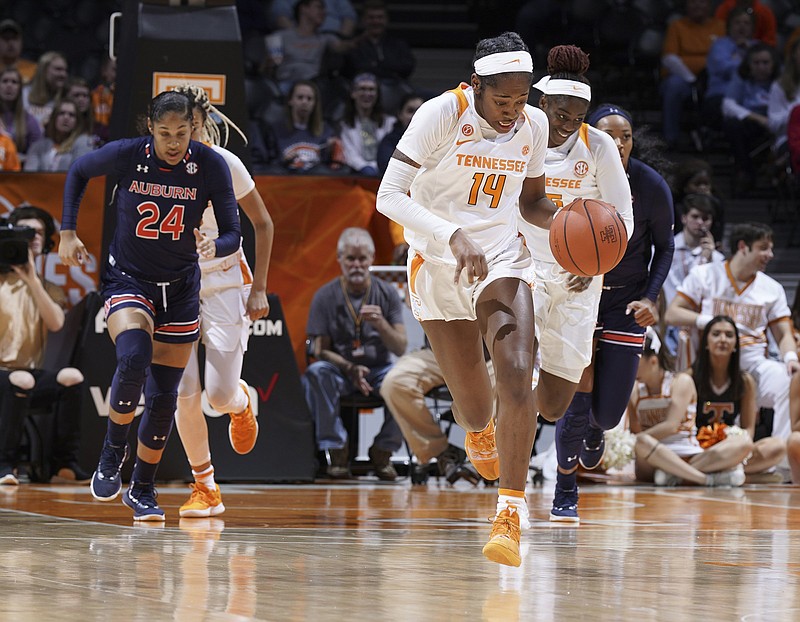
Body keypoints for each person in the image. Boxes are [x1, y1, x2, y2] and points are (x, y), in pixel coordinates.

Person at [377, 31, 557, 567]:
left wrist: (570, 230)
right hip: (437, 263)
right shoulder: (440, 114)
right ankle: (477, 429)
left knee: (518, 371)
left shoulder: (536, 124)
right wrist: (451, 235)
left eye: (522, 99)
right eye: (503, 100)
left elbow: (532, 201)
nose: (513, 111)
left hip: (502, 255)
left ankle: (509, 513)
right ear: (477, 85)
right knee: (475, 406)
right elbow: (388, 196)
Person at [59, 90, 242, 521]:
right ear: (150, 129)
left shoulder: (211, 164)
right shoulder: (128, 155)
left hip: (180, 289)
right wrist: (68, 232)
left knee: (164, 398)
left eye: (181, 133)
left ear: (193, 130)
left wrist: (215, 245)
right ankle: (110, 456)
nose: (173, 142)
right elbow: (79, 171)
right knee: (134, 356)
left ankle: (142, 488)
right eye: (164, 134)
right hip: (129, 279)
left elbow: (235, 232)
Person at [516, 48, 634, 524]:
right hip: (523, 268)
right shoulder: (520, 135)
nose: (567, 123)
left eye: (578, 116)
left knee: (553, 404)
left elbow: (622, 219)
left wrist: (594, 262)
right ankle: (513, 496)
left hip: (579, 279)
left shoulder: (599, 148)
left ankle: (579, 431)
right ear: (542, 104)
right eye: (560, 114)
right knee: (515, 378)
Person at [548, 102, 673, 522]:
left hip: (626, 300)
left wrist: (651, 298)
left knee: (608, 413)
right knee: (577, 390)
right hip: (578, 295)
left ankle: (599, 431)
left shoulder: (650, 185)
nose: (618, 143)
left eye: (626, 136)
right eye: (609, 135)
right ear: (591, 137)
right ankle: (565, 487)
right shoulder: (572, 175)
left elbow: (666, 246)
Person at [171, 84, 274, 519]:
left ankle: (242, 402)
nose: (179, 135)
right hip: (175, 285)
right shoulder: (157, 166)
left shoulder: (225, 163)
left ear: (201, 123)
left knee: (217, 396)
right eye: (171, 129)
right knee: (183, 392)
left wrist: (261, 288)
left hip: (225, 283)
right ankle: (205, 487)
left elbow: (263, 225)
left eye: (187, 126)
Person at [665, 222, 800, 443]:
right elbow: (672, 313)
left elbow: (784, 333)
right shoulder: (704, 275)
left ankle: (780, 456)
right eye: (763, 248)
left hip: (752, 364)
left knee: (788, 382)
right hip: (710, 365)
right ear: (743, 247)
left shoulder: (772, 288)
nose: (770, 254)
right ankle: (684, 446)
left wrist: (791, 358)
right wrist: (710, 322)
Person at [302, 227, 407, 481]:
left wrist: (381, 324)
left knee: (405, 380)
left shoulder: (387, 293)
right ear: (340, 260)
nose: (357, 265)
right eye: (350, 258)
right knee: (316, 373)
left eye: (362, 259)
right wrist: (350, 368)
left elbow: (400, 347)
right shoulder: (325, 296)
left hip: (378, 370)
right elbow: (319, 350)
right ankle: (337, 451)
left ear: (372, 259)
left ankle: (383, 450)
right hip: (340, 371)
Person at [0, 205, 87, 485]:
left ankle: (64, 464)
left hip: (27, 375)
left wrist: (31, 279)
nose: (33, 237)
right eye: (26, 232)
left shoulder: (49, 288)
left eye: (38, 232)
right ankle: (5, 464)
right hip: (3, 373)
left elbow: (56, 323)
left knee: (71, 377)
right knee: (21, 379)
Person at [630, 326, 749, 487]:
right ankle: (706, 480)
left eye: (635, 361)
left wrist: (631, 441)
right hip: (654, 457)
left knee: (744, 442)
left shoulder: (680, 381)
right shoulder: (634, 391)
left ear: (653, 361)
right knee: (642, 442)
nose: (630, 367)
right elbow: (636, 432)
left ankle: (675, 476)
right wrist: (632, 441)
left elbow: (671, 426)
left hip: (688, 454)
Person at [659, 0, 724, 149]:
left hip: (713, 78)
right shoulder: (677, 26)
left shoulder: (720, 26)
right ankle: (671, 138)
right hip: (685, 79)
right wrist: (692, 79)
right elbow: (669, 58)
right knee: (673, 86)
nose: (697, 6)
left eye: (702, 2)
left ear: (709, 5)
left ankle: (715, 139)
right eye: (693, 2)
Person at [721, 42, 779, 194]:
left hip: (780, 122)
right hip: (754, 122)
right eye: (756, 62)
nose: (761, 67)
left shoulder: (782, 80)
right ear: (749, 65)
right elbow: (727, 105)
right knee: (732, 125)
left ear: (773, 64)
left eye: (765, 62)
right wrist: (757, 118)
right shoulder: (741, 79)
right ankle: (745, 172)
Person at [342, 0, 416, 114]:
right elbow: (353, 68)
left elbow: (407, 67)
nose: (376, 21)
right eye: (371, 17)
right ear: (363, 20)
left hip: (396, 88)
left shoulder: (397, 44)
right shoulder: (355, 45)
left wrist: (375, 65)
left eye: (380, 17)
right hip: (363, 90)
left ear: (386, 20)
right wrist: (387, 67)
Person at [264, 79, 342, 172]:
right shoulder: (276, 130)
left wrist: (330, 151)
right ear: (290, 100)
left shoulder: (326, 130)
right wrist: (283, 161)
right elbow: (270, 163)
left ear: (314, 104)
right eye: (300, 97)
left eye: (309, 99)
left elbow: (331, 165)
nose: (304, 102)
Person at [703, 6, 756, 131]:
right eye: (737, 22)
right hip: (721, 94)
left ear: (752, 28)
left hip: (751, 96)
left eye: (746, 23)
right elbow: (724, 68)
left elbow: (773, 70)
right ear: (729, 26)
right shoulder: (719, 45)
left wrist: (743, 55)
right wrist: (751, 65)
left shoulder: (757, 47)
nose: (742, 26)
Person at [339, 72, 394, 176]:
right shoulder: (344, 125)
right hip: (357, 174)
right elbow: (349, 153)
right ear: (353, 93)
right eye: (362, 89)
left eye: (371, 89)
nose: (367, 94)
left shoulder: (390, 123)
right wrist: (364, 167)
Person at [23, 98, 95, 172]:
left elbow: (79, 175)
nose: (66, 117)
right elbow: (29, 176)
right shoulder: (39, 146)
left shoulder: (83, 142)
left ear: (77, 121)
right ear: (54, 118)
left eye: (72, 115)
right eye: (61, 113)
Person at [0, 66, 44, 158]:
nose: (9, 85)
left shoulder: (29, 121)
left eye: (14, 82)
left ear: (20, 88)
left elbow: (36, 156)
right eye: (5, 81)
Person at [22, 51, 68, 128]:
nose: (63, 74)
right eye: (58, 69)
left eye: (65, 70)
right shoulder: (23, 95)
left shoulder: (65, 99)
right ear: (43, 70)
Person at [270, 0, 357, 38]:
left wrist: (342, 37)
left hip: (335, 37)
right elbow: (281, 17)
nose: (324, 12)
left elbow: (349, 16)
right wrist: (300, 37)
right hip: (303, 38)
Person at [0, 19, 36, 83]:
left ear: (21, 42)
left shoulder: (34, 70)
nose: (10, 43)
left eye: (15, 38)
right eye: (6, 38)